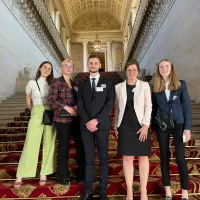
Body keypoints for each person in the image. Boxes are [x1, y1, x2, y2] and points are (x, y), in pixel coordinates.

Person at [152, 59, 192, 200]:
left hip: (178, 124)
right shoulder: (155, 86)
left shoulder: (181, 85)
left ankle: (185, 194)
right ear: (158, 69)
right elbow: (153, 108)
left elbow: (186, 106)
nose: (164, 69)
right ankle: (168, 192)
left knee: (180, 158)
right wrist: (153, 127)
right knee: (164, 158)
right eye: (161, 67)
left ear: (171, 68)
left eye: (166, 66)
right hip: (162, 125)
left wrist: (187, 128)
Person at [77, 55, 115, 200]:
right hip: (86, 126)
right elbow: (80, 104)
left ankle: (103, 192)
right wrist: (88, 121)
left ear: (100, 65)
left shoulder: (108, 82)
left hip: (102, 125)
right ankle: (88, 191)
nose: (93, 65)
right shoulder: (82, 84)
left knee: (103, 158)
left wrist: (96, 120)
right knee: (89, 158)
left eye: (95, 63)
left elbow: (109, 104)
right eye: (90, 63)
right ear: (88, 65)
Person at [14, 61, 56, 188]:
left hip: (50, 111)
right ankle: (21, 174)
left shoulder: (52, 83)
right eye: (45, 67)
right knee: (31, 142)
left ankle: (44, 173)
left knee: (49, 142)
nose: (47, 70)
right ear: (40, 68)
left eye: (49, 68)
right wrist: (34, 111)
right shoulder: (31, 83)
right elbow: (28, 100)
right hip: (37, 111)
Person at [114, 59, 152, 200]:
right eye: (129, 70)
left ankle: (143, 191)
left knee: (143, 157)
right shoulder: (118, 87)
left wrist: (146, 126)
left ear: (138, 72)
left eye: (134, 70)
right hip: (124, 125)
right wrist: (116, 125)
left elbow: (148, 106)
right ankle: (129, 192)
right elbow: (117, 108)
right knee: (127, 158)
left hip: (140, 125)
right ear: (126, 72)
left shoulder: (144, 85)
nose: (132, 72)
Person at [48, 59, 85, 185]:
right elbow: (51, 100)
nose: (68, 68)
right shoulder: (57, 82)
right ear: (61, 68)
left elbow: (79, 100)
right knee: (64, 147)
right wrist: (66, 107)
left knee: (80, 146)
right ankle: (63, 175)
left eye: (71, 66)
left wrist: (76, 107)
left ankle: (81, 174)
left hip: (76, 119)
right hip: (62, 120)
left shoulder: (75, 84)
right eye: (66, 66)